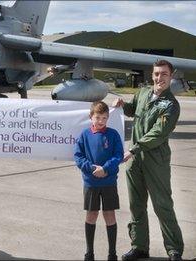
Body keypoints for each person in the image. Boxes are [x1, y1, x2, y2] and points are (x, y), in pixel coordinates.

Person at [113, 60, 184, 261]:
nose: (159, 78)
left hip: (155, 161)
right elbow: (132, 109)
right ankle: (139, 246)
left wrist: (134, 149)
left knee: (162, 205)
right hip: (134, 161)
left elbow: (157, 133)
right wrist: (122, 105)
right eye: (156, 74)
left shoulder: (171, 105)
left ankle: (174, 250)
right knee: (136, 205)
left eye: (164, 74)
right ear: (151, 75)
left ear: (171, 77)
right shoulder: (143, 93)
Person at [74, 101, 124, 261]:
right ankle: (89, 253)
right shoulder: (84, 135)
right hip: (91, 183)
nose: (101, 121)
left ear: (108, 118)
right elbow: (78, 156)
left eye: (104, 118)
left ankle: (112, 254)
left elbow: (118, 155)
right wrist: (90, 168)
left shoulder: (113, 134)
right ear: (91, 117)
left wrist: (106, 169)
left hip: (109, 183)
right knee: (91, 215)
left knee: (109, 215)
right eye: (98, 117)